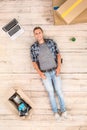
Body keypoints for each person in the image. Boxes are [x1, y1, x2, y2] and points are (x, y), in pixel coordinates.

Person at [30, 27, 67, 120]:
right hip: (45, 74)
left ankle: (64, 111)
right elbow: (34, 62)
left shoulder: (51, 42)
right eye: (36, 33)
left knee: (59, 91)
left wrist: (59, 68)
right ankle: (55, 112)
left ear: (42, 33)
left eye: (39, 32)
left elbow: (58, 55)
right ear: (34, 35)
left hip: (55, 71)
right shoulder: (33, 47)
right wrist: (40, 74)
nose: (38, 34)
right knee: (51, 93)